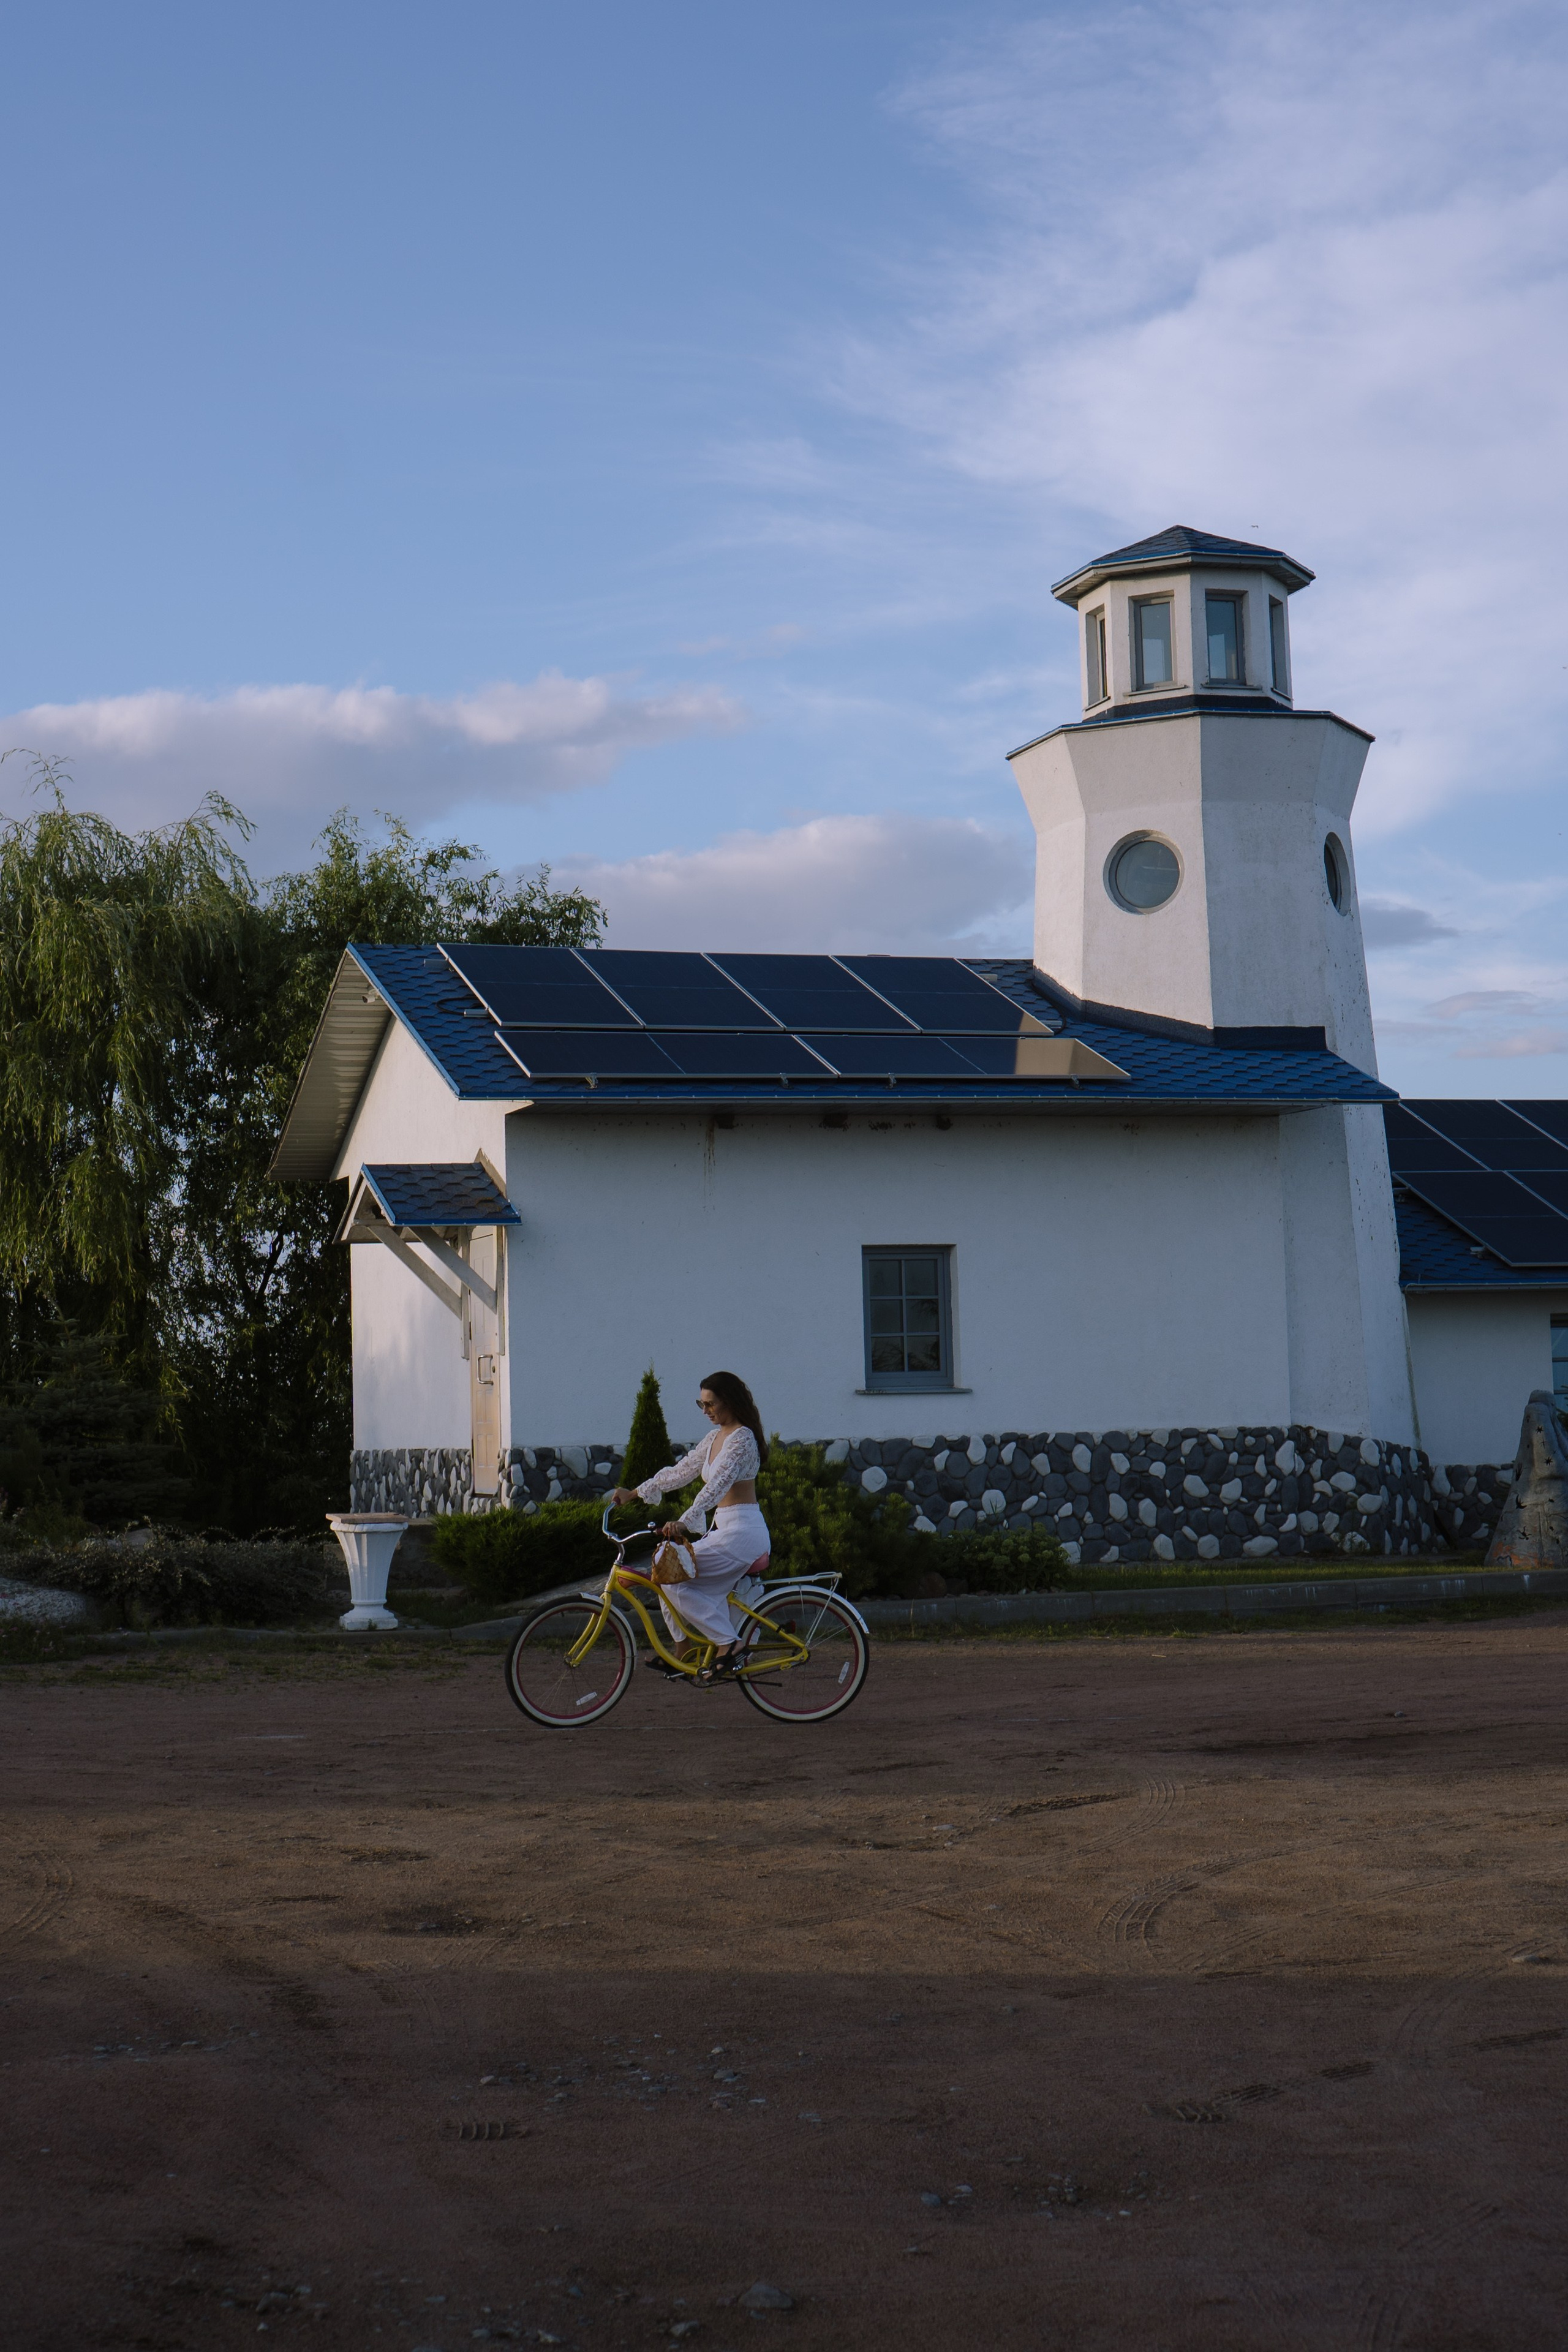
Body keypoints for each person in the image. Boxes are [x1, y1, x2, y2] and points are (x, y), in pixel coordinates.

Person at [611, 1371, 769, 1679]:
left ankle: (730, 1645)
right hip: (724, 1530)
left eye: (711, 1404)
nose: (706, 1411)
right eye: (702, 1404)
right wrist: (634, 1493)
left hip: (743, 1533)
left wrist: (686, 1521)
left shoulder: (742, 1438)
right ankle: (683, 1652)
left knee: (675, 1581)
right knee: (666, 1570)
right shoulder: (714, 1438)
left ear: (730, 1401)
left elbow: (718, 1485)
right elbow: (681, 1471)